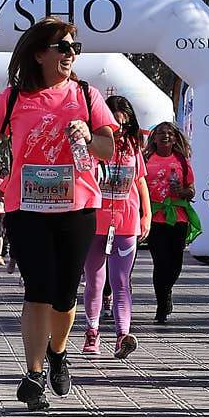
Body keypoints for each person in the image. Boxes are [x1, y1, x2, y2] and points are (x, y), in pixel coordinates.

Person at [0, 20, 117, 411]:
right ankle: (33, 374)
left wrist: (89, 135)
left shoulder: (86, 95)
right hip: (26, 208)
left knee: (65, 295)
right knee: (37, 289)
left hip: (78, 207)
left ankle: (58, 352)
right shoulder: (14, 98)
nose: (69, 54)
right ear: (38, 53)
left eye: (74, 48)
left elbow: (108, 150)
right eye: (61, 47)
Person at [83, 94, 150, 359]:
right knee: (95, 280)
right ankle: (92, 331)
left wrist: (147, 215)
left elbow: (140, 180)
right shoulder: (94, 145)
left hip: (126, 222)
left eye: (124, 124)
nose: (119, 130)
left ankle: (123, 334)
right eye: (115, 124)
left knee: (121, 281)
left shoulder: (133, 146)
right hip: (95, 222)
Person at [143, 121, 194, 321]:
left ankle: (167, 291)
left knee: (175, 264)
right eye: (161, 133)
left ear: (175, 139)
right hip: (155, 217)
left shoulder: (182, 161)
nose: (166, 136)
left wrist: (182, 192)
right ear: (154, 138)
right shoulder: (147, 159)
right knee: (160, 262)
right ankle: (162, 303)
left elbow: (191, 190)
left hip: (177, 217)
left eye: (170, 133)